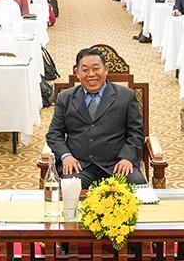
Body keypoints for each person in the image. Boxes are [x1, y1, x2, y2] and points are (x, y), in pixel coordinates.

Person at [47, 48, 147, 188]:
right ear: (77, 73)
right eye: (85, 70)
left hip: (116, 166)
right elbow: (54, 134)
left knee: (137, 185)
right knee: (68, 187)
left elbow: (136, 132)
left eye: (96, 68)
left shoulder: (126, 96)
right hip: (80, 167)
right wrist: (65, 156)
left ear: (106, 69)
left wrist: (127, 158)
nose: (91, 74)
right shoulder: (66, 98)